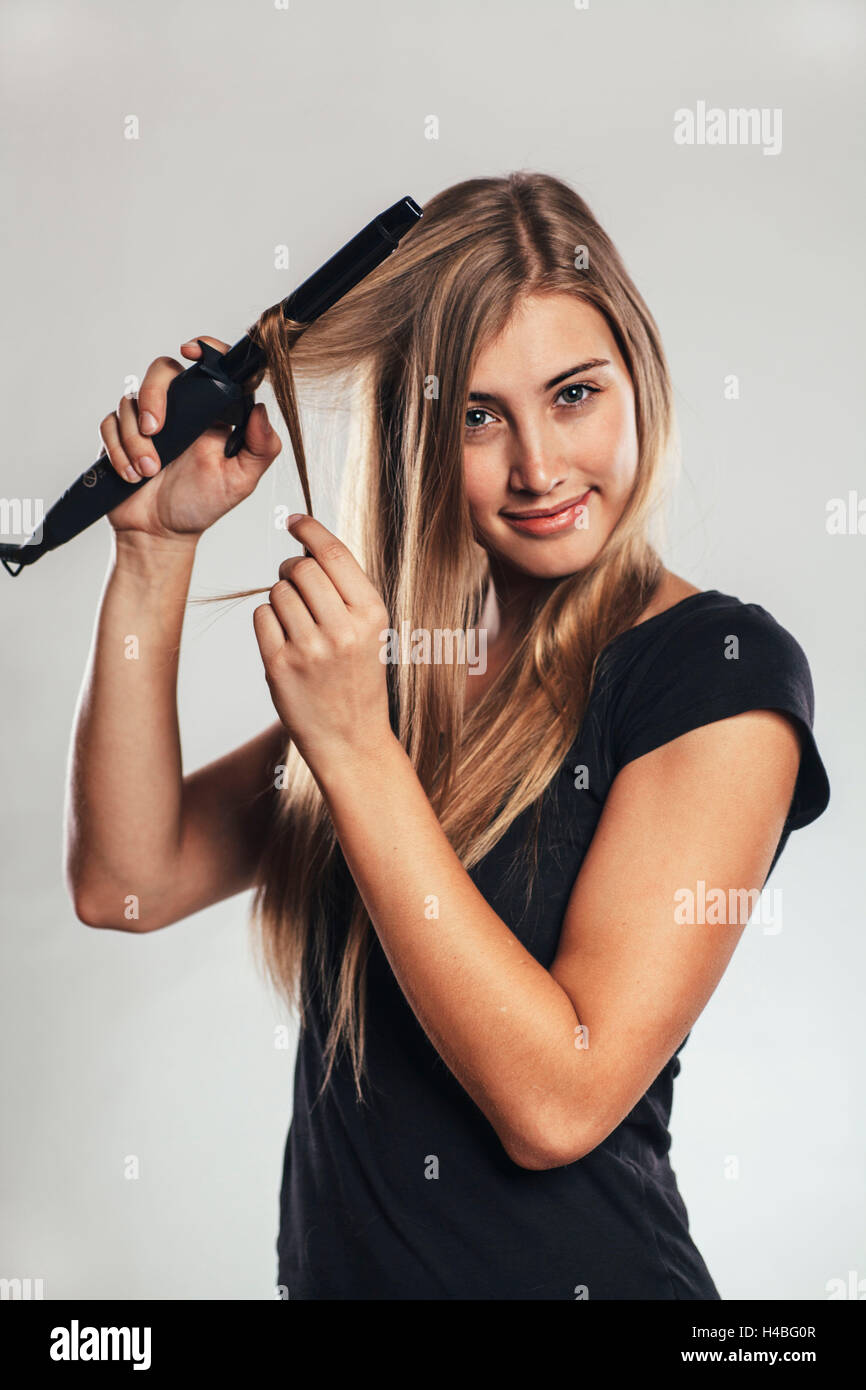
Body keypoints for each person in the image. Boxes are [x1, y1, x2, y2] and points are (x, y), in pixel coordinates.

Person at [66, 171, 830, 1300]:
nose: (537, 467)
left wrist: (356, 748)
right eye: (478, 415)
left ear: (640, 381)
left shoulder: (715, 673)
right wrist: (153, 554)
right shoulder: (404, 669)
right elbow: (127, 881)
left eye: (573, 394)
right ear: (422, 432)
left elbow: (557, 1104)